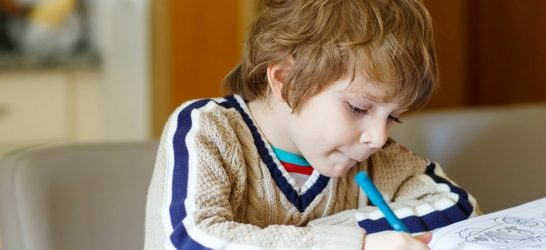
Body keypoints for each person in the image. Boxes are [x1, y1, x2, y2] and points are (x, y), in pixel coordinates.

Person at [144, 0, 481, 249]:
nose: (378, 137)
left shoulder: (373, 158)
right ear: (286, 81)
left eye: (392, 116)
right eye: (358, 107)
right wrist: (359, 244)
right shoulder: (208, 130)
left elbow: (458, 210)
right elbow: (192, 240)